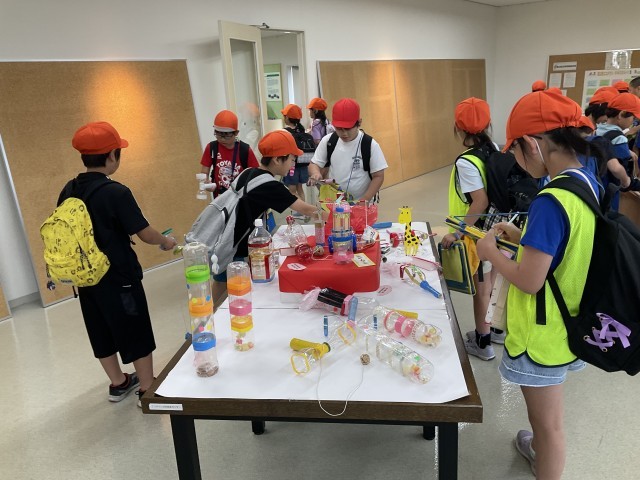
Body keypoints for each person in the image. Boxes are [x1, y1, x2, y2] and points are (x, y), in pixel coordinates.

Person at [476, 90, 600, 479]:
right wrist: (523, 237)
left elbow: (530, 281)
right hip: (570, 319)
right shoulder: (584, 181)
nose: (515, 160)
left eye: (515, 150)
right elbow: (565, 244)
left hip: (541, 332)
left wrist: (490, 252)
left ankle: (545, 459)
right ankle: (540, 447)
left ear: (532, 143)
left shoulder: (549, 200)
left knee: (549, 426)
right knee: (548, 419)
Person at [60, 121, 178, 407]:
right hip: (118, 277)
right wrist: (166, 242)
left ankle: (118, 382)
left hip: (85, 276)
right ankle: (147, 389)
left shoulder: (68, 189)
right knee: (135, 327)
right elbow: (144, 232)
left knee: (99, 327)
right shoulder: (116, 192)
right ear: (112, 155)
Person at [440, 97, 501, 361]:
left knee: (482, 290)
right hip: (499, 231)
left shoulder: (466, 162)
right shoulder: (494, 149)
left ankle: (483, 342)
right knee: (494, 285)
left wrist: (458, 232)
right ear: (488, 123)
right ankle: (495, 330)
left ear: (457, 127)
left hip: (479, 235)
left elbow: (480, 201)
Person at [231, 130, 326, 261]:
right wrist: (338, 216)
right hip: (235, 248)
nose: (293, 164)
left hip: (227, 237)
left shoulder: (249, 172)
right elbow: (307, 210)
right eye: (292, 160)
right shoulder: (269, 185)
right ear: (277, 159)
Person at [308, 98, 387, 202]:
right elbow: (314, 164)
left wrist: (365, 199)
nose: (344, 133)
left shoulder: (370, 145)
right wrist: (315, 173)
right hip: (336, 203)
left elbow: (378, 176)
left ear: (359, 123)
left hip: (362, 203)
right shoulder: (328, 141)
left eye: (348, 128)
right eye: (339, 129)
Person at [595, 92, 640, 210]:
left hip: (594, 187)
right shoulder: (619, 138)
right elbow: (618, 170)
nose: (633, 122)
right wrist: (627, 182)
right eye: (633, 118)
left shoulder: (597, 130)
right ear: (621, 114)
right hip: (608, 190)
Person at [200, 109, 260, 198]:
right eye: (218, 134)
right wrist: (206, 183)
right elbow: (204, 172)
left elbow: (256, 175)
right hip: (220, 196)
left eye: (226, 135)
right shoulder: (212, 148)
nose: (222, 139)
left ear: (236, 133)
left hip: (240, 196)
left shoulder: (245, 150)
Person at [280, 103, 309, 204]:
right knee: (300, 189)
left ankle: (299, 210)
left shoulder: (284, 132)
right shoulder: (301, 130)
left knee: (292, 191)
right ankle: (304, 209)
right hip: (303, 164)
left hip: (291, 166)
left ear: (287, 118)